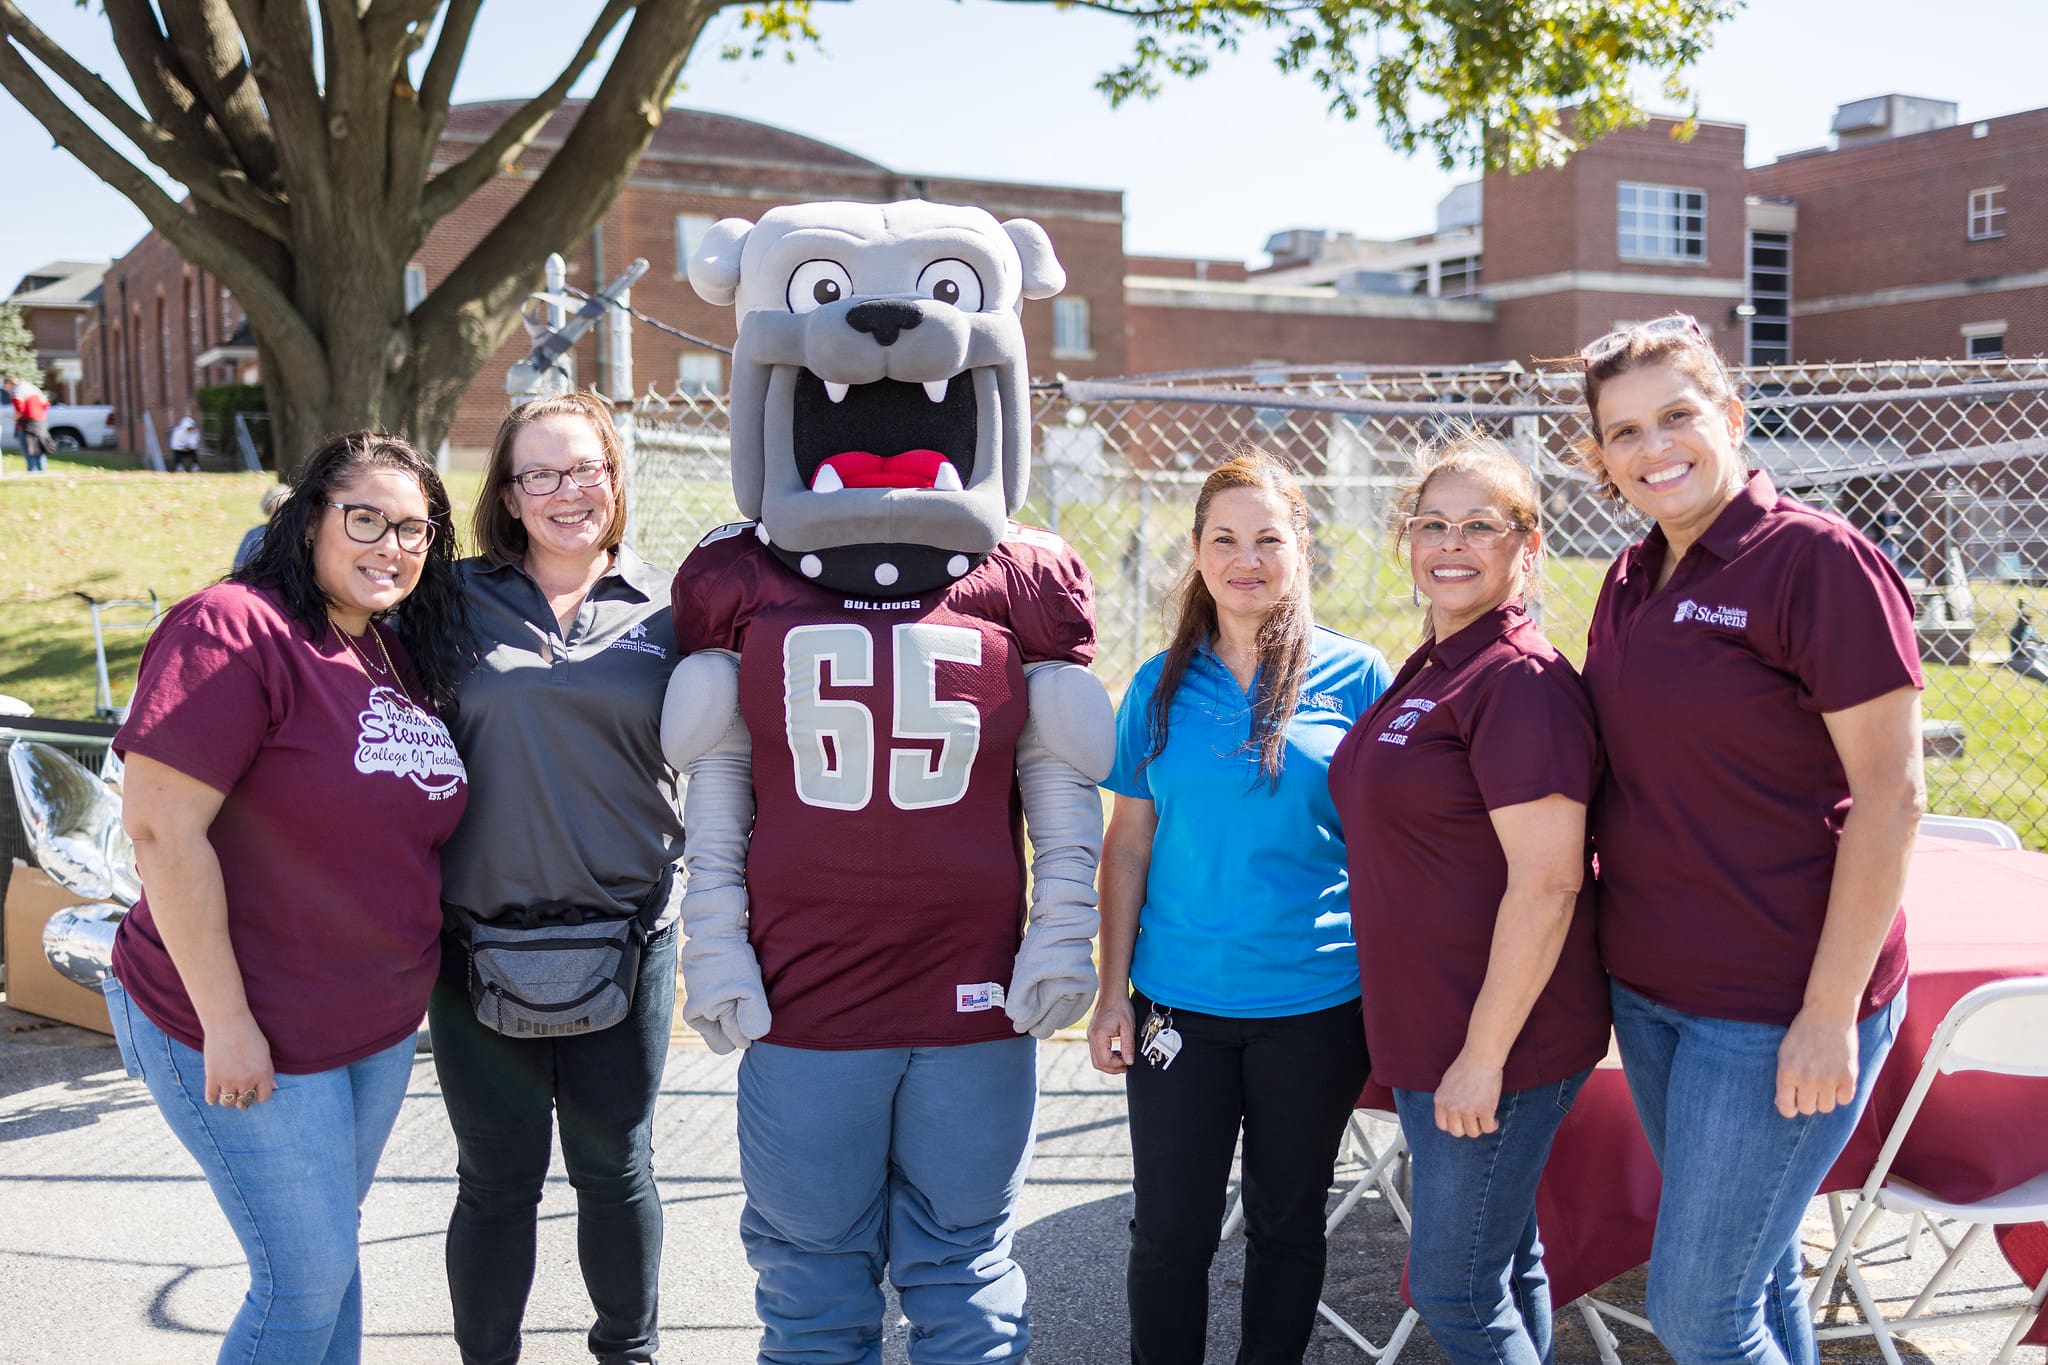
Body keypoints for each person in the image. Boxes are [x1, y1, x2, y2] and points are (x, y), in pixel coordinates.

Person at [1574, 314, 1925, 1365]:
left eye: (1675, 416)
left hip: (1773, 1011)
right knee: (1754, 1276)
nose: (1653, 448)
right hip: (1650, 995)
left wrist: (1826, 1014)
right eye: (1623, 432)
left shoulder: (1813, 562)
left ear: (1729, 416)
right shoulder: (1629, 577)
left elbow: (1890, 797)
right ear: (1599, 459)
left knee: (1696, 1314)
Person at [104, 431, 470, 1363]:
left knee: (329, 1266)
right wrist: (226, 1022)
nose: (392, 546)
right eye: (366, 519)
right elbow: (160, 828)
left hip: (371, 1029)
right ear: (309, 518)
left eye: (415, 530)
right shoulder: (234, 627)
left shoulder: (390, 649)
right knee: (300, 1285)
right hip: (244, 1024)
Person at [1088, 446, 1392, 1365]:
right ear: (1197, 550)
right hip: (1178, 1004)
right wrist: (1111, 995)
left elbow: (1389, 850)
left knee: (1288, 1225)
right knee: (1170, 1231)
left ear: (1303, 546)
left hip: (1315, 1007)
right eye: (1225, 538)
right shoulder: (1158, 684)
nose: (1246, 557)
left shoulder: (1358, 676)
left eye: (1268, 536)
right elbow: (1127, 846)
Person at [1328, 436, 1608, 1365]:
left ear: (1527, 547)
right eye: (1432, 524)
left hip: (1495, 1043)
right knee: (1505, 1261)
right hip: (1431, 1023)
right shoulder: (1439, 661)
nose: (1452, 543)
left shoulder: (1517, 681)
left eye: (1480, 526)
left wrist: (1481, 1057)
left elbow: (1550, 878)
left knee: (1450, 1285)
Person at [429, 390, 683, 1365]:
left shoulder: (675, 608)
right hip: (476, 943)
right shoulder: (447, 600)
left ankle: (629, 1352)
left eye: (584, 468)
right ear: (507, 491)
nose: (565, 490)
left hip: (630, 938)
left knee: (614, 1168)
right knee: (496, 1180)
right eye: (538, 472)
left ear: (615, 478)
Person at [235, 484, 292, 571]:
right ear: (269, 510)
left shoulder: (299, 533)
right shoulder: (254, 534)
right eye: (278, 507)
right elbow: (238, 566)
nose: (282, 511)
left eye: (286, 506)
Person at [7, 372, 54, 472]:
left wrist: (15, 419)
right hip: (40, 422)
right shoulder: (31, 387)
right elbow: (46, 404)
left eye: (6, 387)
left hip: (27, 424)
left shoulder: (16, 391)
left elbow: (20, 408)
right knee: (39, 448)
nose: (7, 390)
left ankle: (32, 471)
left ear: (9, 383)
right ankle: (42, 471)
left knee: (29, 449)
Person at [170, 407, 203, 472]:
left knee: (194, 453)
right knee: (177, 453)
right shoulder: (177, 432)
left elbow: (195, 443)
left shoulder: (195, 433)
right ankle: (178, 466)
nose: (190, 430)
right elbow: (174, 444)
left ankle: (195, 466)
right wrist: (181, 447)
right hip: (180, 450)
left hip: (189, 450)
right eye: (189, 428)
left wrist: (189, 447)